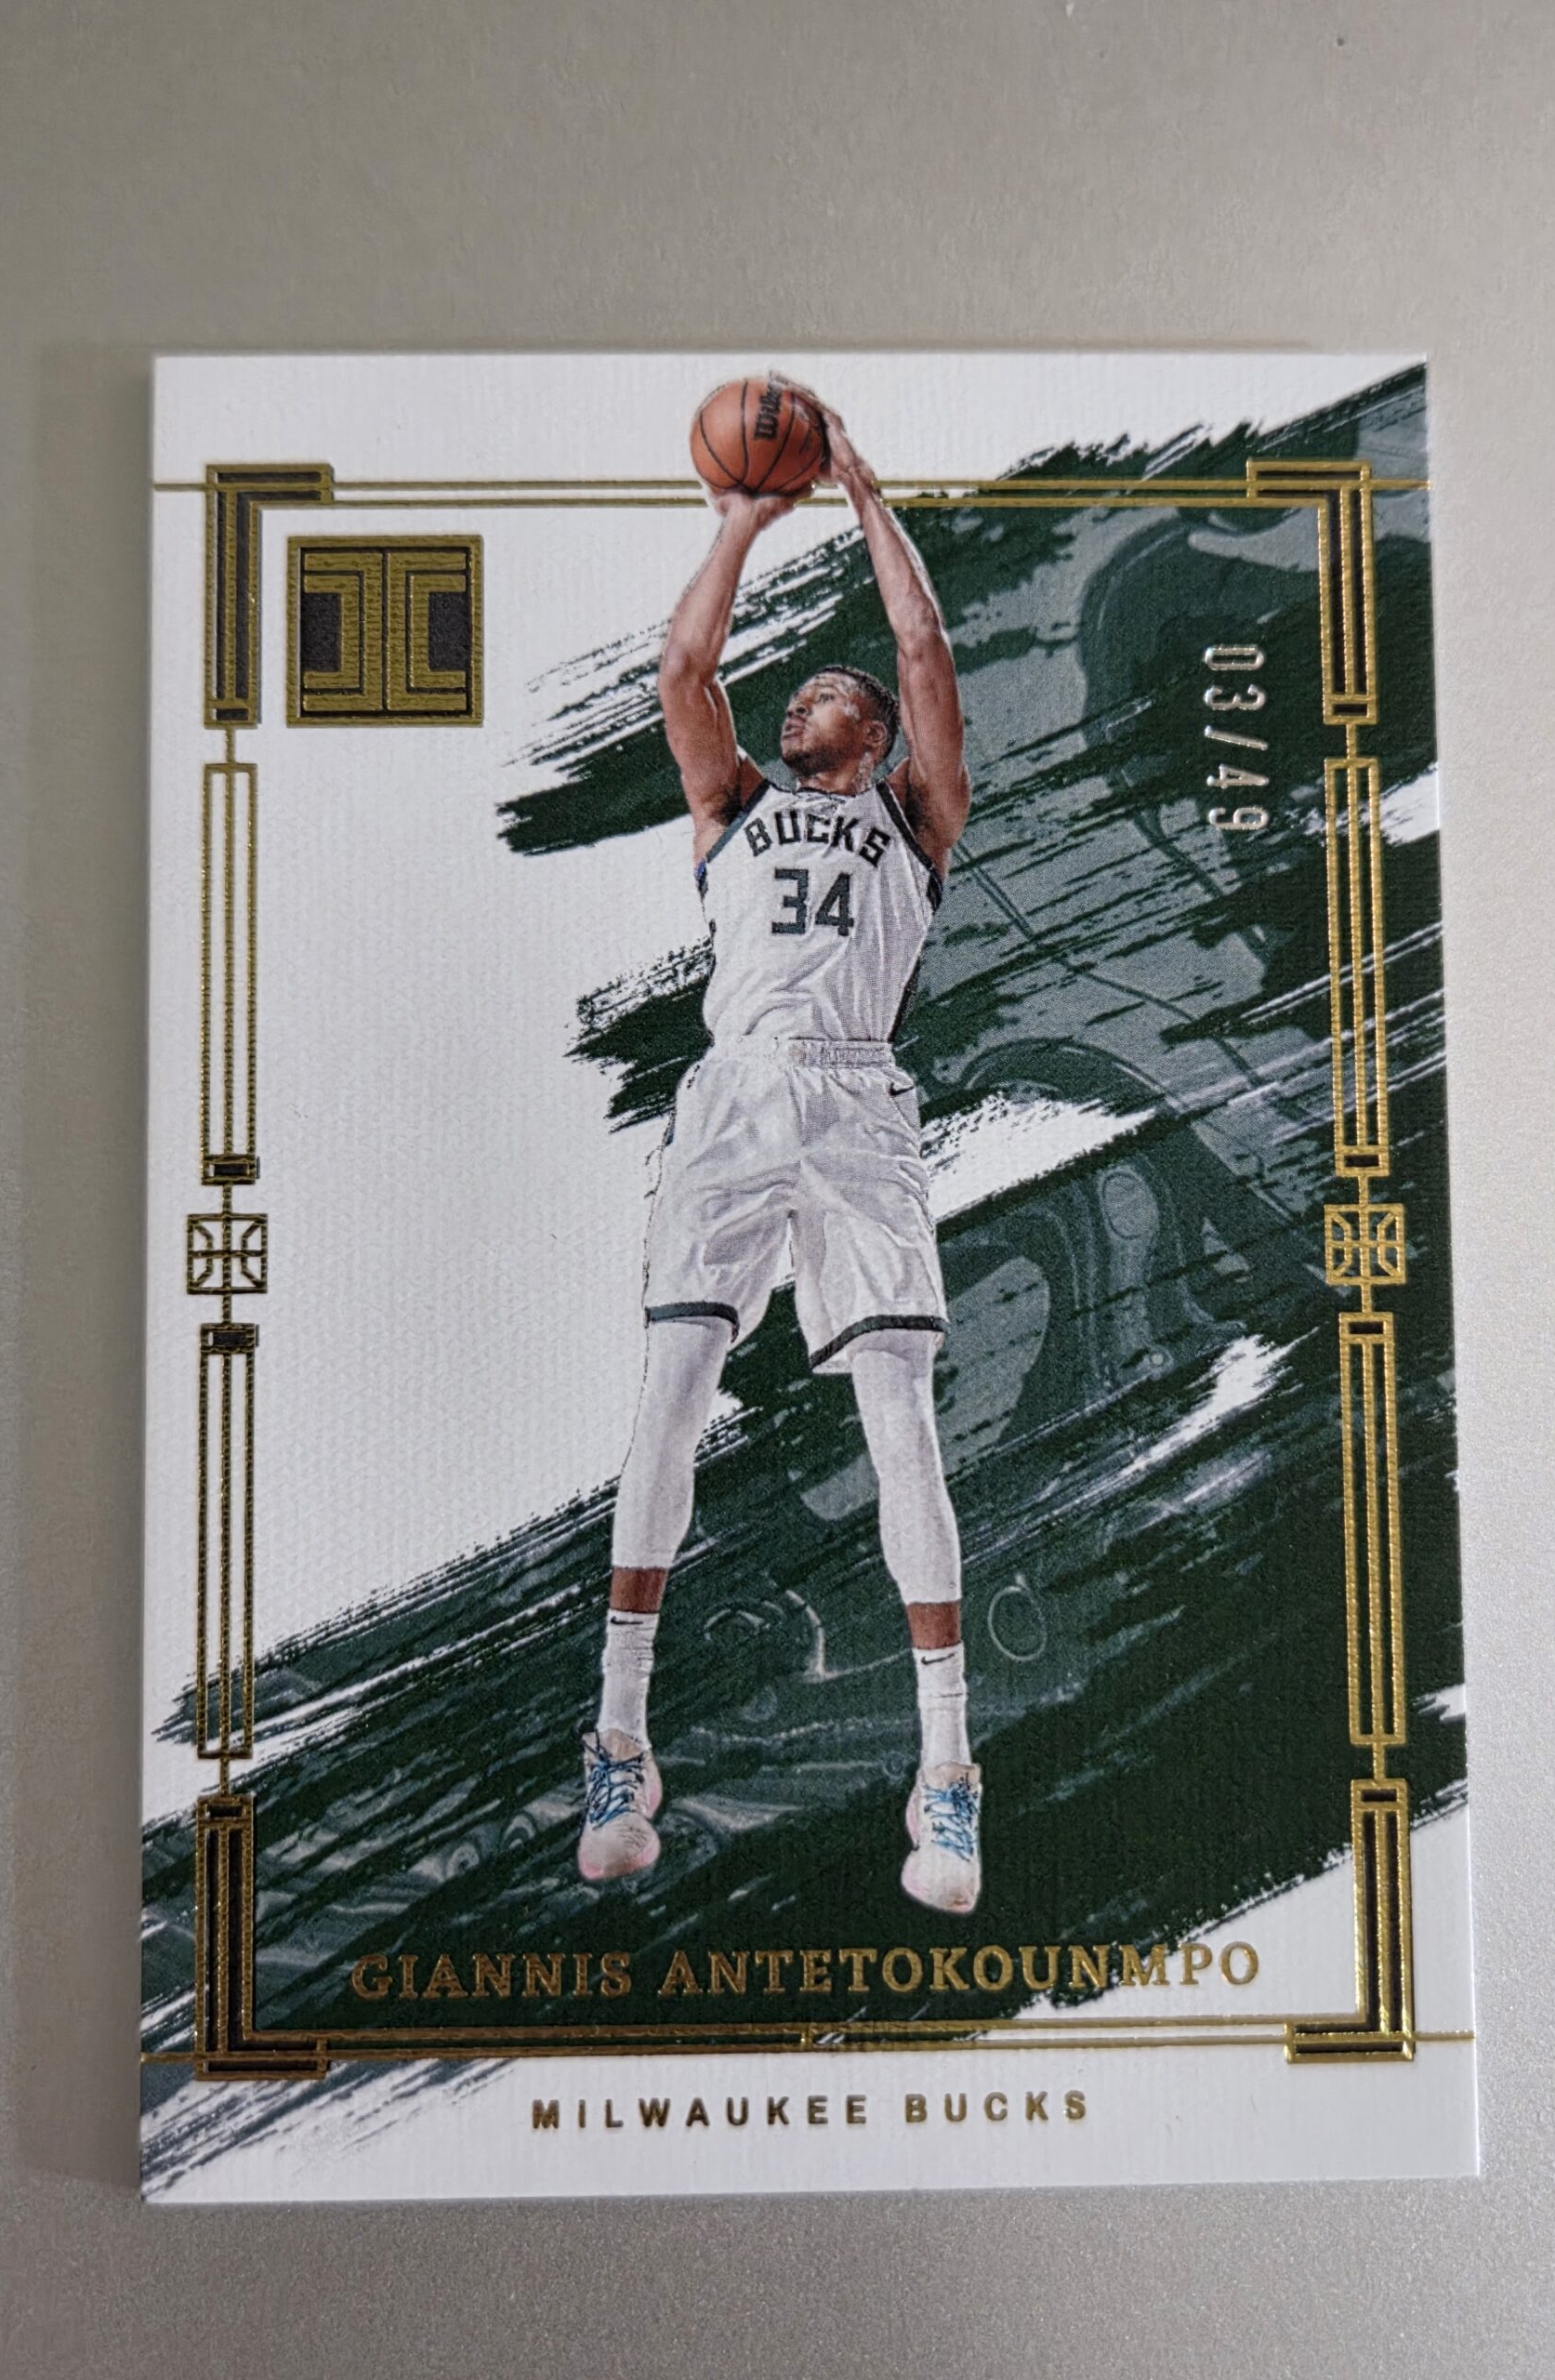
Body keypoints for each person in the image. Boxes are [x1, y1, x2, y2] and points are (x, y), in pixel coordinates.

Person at [578, 392, 979, 1912]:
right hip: (738, 1095)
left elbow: (925, 648)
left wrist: (863, 489)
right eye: (796, 692)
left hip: (861, 1103)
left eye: (830, 692)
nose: (806, 696)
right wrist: (744, 518)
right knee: (671, 1397)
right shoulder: (731, 805)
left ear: (871, 736)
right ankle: (620, 1740)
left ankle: (946, 1773)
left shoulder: (917, 816)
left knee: (902, 1425)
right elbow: (685, 672)